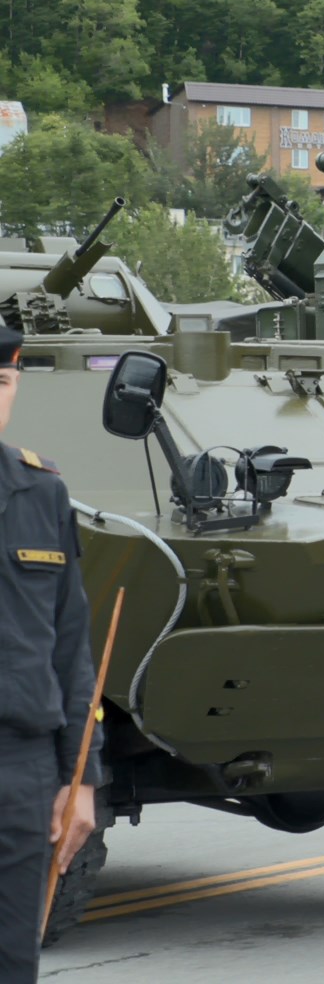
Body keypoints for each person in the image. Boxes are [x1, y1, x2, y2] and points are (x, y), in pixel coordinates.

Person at [0, 325, 100, 982]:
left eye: (2, 383)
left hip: (23, 770)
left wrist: (83, 779)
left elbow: (71, 648)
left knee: (14, 960)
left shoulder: (42, 494)